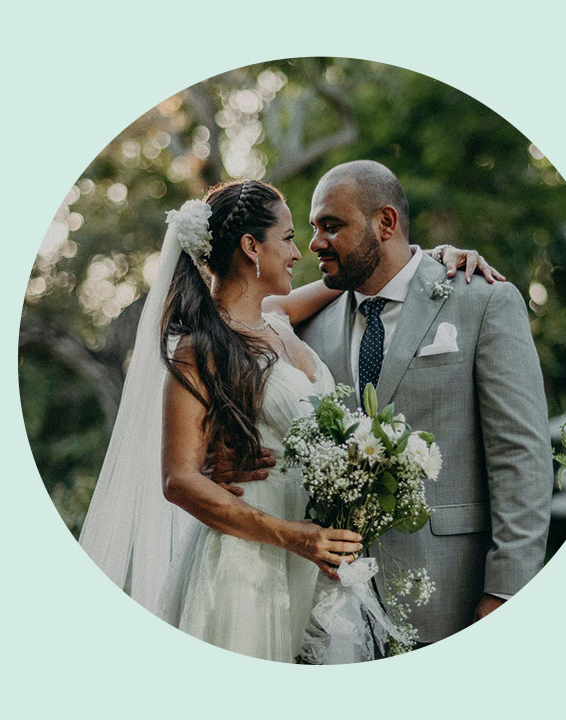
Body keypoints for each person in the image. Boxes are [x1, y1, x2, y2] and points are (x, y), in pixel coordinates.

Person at [79, 178, 500, 662]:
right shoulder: (202, 349)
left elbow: (360, 274)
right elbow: (179, 479)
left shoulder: (275, 316)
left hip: (313, 559)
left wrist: (433, 259)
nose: (300, 253)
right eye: (288, 238)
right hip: (250, 565)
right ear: (250, 247)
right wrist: (293, 536)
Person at [295, 160, 554, 645]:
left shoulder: (481, 300)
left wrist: (507, 590)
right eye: (313, 228)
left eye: (332, 226)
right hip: (337, 609)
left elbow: (521, 453)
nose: (315, 243)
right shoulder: (310, 325)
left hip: (453, 588)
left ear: (385, 223)